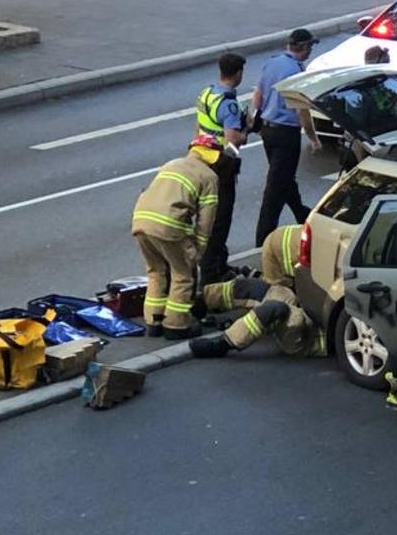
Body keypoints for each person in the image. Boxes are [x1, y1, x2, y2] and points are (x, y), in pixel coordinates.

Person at [132, 135, 220, 339]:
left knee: (156, 271)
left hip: (140, 220)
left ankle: (154, 321)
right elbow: (206, 219)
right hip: (168, 225)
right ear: (214, 157)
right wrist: (198, 248)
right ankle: (176, 325)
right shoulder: (209, 177)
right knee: (182, 275)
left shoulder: (171, 164)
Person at [253, 29, 320, 247]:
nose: (311, 51)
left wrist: (259, 116)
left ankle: (304, 215)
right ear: (304, 48)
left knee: (284, 179)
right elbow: (301, 110)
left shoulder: (273, 63)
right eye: (310, 47)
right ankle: (262, 241)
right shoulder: (296, 71)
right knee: (275, 189)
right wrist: (313, 137)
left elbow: (258, 95)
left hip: (267, 130)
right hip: (286, 135)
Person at [195, 52, 247, 283]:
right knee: (220, 218)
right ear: (238, 73)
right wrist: (247, 131)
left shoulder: (207, 93)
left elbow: (202, 126)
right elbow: (233, 139)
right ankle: (212, 271)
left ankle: (217, 263)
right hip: (222, 165)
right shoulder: (228, 104)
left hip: (203, 158)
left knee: (207, 215)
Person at [187, 284, 327, 359]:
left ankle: (222, 344)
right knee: (255, 288)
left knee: (274, 309)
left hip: (310, 335)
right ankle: (202, 301)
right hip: (305, 309)